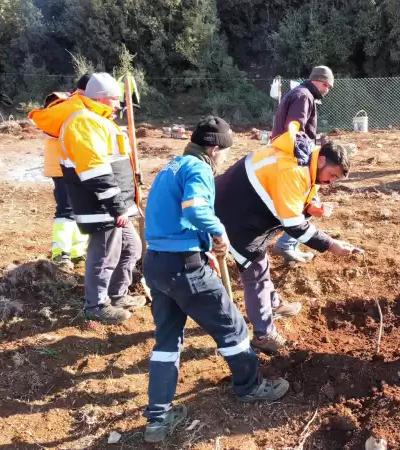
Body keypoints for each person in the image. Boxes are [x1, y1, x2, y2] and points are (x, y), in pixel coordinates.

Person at [141, 116, 288, 443]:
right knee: (233, 328)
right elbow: (194, 209)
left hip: (156, 264)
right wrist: (217, 231)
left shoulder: (171, 167)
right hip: (185, 268)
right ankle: (251, 387)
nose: (222, 158)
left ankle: (158, 419)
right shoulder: (198, 168)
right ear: (213, 147)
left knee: (167, 341)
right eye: (223, 151)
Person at [215, 122, 362, 353]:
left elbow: (293, 194)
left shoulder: (305, 159)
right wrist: (331, 245)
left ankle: (271, 303)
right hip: (233, 213)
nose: (331, 182)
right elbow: (294, 225)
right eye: (332, 175)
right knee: (256, 273)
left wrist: (311, 206)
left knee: (261, 266)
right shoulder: (292, 170)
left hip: (244, 206)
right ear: (322, 160)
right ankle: (264, 335)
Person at [29, 73, 145, 324]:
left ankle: (118, 294)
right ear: (102, 98)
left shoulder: (98, 119)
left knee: (131, 248)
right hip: (101, 205)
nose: (118, 105)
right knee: (104, 255)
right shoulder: (83, 122)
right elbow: (95, 170)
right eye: (115, 100)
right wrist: (115, 205)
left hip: (116, 204)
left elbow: (113, 162)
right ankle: (96, 305)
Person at [271, 66, 335, 264]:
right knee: (308, 203)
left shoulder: (300, 93)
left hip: (286, 155)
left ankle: (291, 245)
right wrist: (305, 159)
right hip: (293, 158)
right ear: (316, 80)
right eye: (326, 85)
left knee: (303, 203)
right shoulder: (304, 96)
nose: (327, 90)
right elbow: (295, 129)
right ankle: (287, 245)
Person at [40, 74, 93, 269]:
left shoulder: (82, 105)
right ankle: (61, 253)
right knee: (66, 209)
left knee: (80, 208)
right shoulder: (62, 104)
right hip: (62, 166)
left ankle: (78, 252)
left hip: (78, 164)